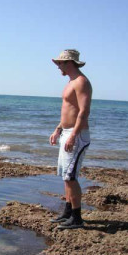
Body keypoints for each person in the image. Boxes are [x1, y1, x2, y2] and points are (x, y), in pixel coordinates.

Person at [49, 49, 92, 229]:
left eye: (60, 63)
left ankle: (77, 218)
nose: (58, 66)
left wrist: (73, 135)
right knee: (65, 176)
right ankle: (68, 212)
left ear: (69, 63)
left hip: (77, 134)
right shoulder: (70, 82)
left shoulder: (81, 82)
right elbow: (69, 110)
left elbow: (83, 111)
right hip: (66, 132)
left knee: (71, 177)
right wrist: (58, 129)